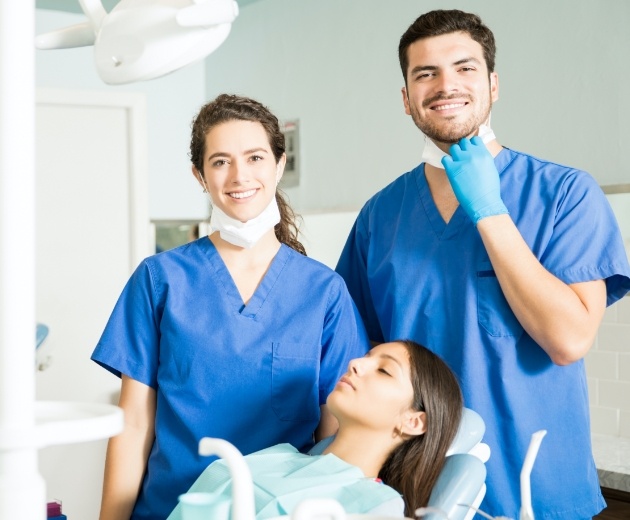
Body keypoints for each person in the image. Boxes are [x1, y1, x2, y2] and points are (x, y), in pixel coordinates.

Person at [335, 9, 630, 520]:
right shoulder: (379, 216)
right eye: (425, 73)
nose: (445, 85)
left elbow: (569, 339)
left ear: (493, 84)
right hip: (417, 491)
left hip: (536, 489)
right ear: (406, 98)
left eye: (464, 68)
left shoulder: (565, 194)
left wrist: (490, 212)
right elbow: (357, 358)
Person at [91, 94, 371, 520]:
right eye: (220, 161)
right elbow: (132, 427)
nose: (239, 175)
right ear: (200, 176)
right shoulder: (160, 279)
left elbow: (334, 435)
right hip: (171, 510)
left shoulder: (323, 292)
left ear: (279, 165)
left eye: (255, 157)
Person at [167, 340, 463, 519]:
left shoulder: (379, 507)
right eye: (367, 356)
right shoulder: (279, 456)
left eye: (384, 370)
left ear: (414, 421)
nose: (356, 363)